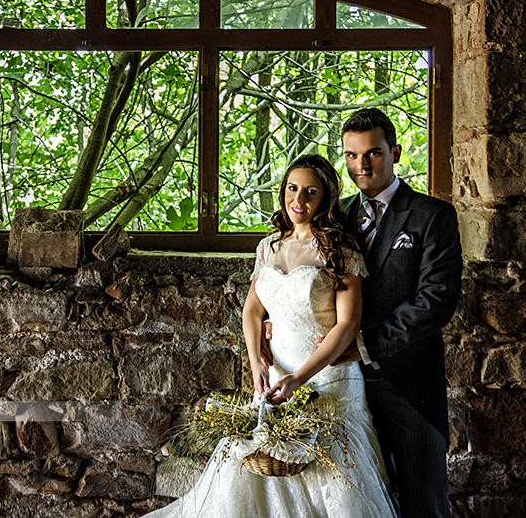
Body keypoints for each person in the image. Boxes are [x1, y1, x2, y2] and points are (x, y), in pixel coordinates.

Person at [143, 154, 396, 518]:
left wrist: (300, 377)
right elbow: (252, 310)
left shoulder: (340, 251)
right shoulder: (269, 247)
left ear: (326, 198)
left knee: (332, 480)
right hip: (276, 375)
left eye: (311, 191)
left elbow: (347, 326)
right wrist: (256, 362)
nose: (299, 200)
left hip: (328, 378)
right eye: (292, 189)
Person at [334, 108, 462, 517]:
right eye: (351, 155)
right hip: (343, 385)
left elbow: (435, 300)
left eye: (372, 153)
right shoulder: (337, 218)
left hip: (408, 383)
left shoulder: (431, 216)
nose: (361, 165)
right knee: (358, 501)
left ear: (396, 152)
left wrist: (367, 344)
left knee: (424, 503)